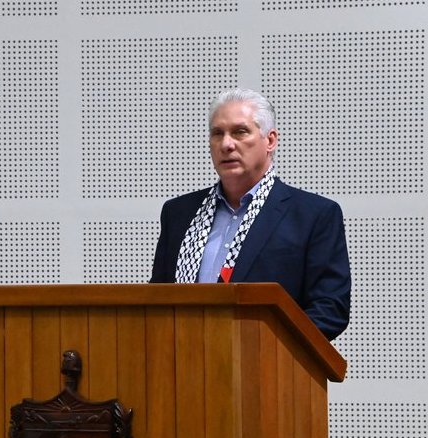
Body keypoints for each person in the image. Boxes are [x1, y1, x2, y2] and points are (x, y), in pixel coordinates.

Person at [150, 88, 350, 340]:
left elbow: (330, 309)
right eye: (217, 133)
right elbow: (156, 300)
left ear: (270, 140)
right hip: (184, 365)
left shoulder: (314, 215)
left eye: (240, 132)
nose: (226, 144)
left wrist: (260, 347)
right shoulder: (179, 213)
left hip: (268, 369)